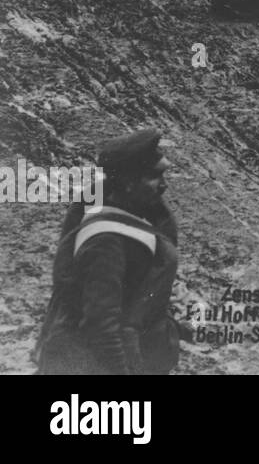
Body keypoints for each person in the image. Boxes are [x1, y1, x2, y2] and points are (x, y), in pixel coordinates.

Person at [35, 129, 180, 375]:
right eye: (155, 176)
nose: (164, 185)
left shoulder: (133, 218)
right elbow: (101, 326)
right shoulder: (106, 241)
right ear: (128, 183)